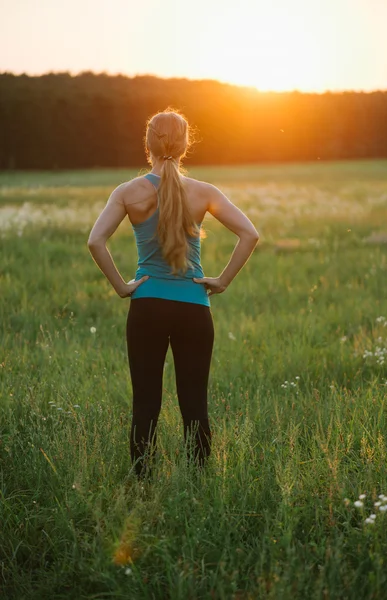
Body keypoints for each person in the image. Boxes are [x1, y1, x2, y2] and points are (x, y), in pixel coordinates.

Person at [87, 108, 259, 481]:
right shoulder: (204, 192)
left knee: (145, 403)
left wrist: (122, 286)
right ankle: (197, 485)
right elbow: (250, 234)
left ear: (147, 144)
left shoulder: (127, 193)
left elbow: (95, 241)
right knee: (194, 404)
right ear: (185, 146)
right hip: (194, 309)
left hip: (146, 306)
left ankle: (142, 485)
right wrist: (222, 280)